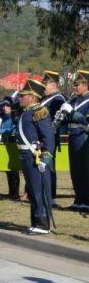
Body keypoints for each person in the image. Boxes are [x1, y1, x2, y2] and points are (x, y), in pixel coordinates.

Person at [16, 78, 56, 234]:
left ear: (32, 98)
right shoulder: (26, 112)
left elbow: (48, 137)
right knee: (32, 190)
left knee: (39, 190)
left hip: (36, 156)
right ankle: (35, 221)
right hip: (26, 155)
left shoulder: (40, 112)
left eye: (23, 95)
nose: (20, 98)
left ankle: (43, 224)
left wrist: (46, 158)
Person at [57, 69, 89, 210]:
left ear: (85, 86)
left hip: (83, 137)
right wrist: (62, 116)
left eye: (77, 85)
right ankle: (79, 199)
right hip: (72, 137)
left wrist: (72, 112)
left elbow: (85, 120)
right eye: (74, 85)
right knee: (74, 170)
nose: (75, 88)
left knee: (84, 169)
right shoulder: (74, 100)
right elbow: (68, 120)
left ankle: (86, 201)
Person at [41, 70, 65, 200]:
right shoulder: (45, 98)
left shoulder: (58, 99)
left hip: (49, 136)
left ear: (53, 85)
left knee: (49, 165)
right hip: (43, 136)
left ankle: (50, 195)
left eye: (45, 84)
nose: (43, 88)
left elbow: (56, 120)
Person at [0, 99, 20, 199]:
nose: (5, 108)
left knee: (14, 169)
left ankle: (15, 193)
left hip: (13, 143)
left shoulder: (15, 117)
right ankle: (11, 192)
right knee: (8, 170)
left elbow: (14, 129)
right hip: (6, 143)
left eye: (7, 106)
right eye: (3, 106)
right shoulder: (4, 118)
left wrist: (1, 131)